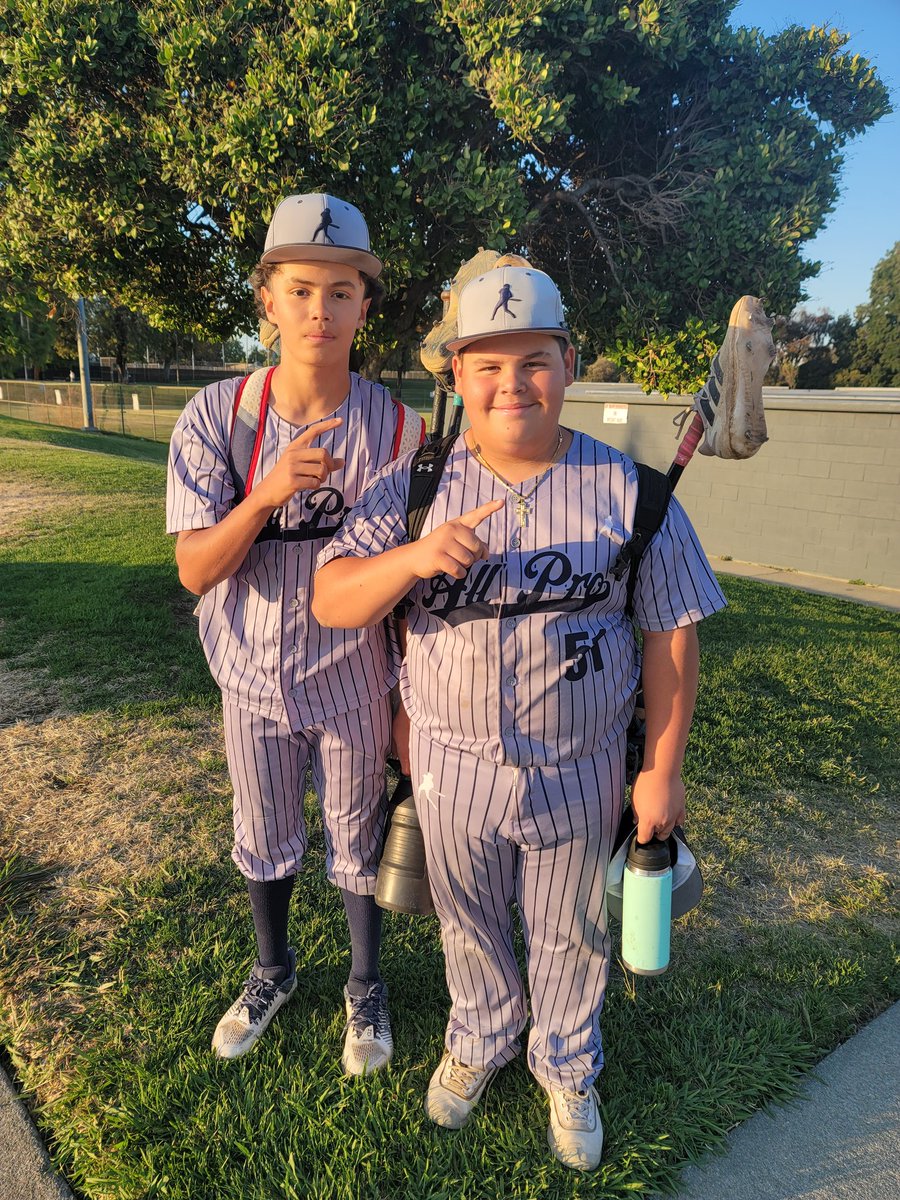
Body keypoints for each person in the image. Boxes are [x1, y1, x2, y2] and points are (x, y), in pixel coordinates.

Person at [312, 265, 726, 1169]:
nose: (512, 384)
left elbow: (671, 636)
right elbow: (334, 597)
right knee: (468, 918)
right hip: (451, 762)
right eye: (487, 364)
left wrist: (662, 768)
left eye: (534, 360)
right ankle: (483, 1034)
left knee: (572, 928)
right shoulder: (415, 486)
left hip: (581, 765)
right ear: (456, 374)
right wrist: (415, 557)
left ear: (568, 364)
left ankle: (568, 1061)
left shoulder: (630, 490)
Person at [165, 193, 424, 1071]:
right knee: (266, 827)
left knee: (355, 837)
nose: (322, 310)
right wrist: (266, 495)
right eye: (302, 289)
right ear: (268, 299)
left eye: (342, 291)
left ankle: (363, 986)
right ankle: (271, 969)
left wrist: (407, 703)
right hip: (248, 671)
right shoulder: (219, 416)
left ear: (363, 304)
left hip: (354, 676)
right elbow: (196, 568)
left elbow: (409, 584)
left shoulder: (399, 428)